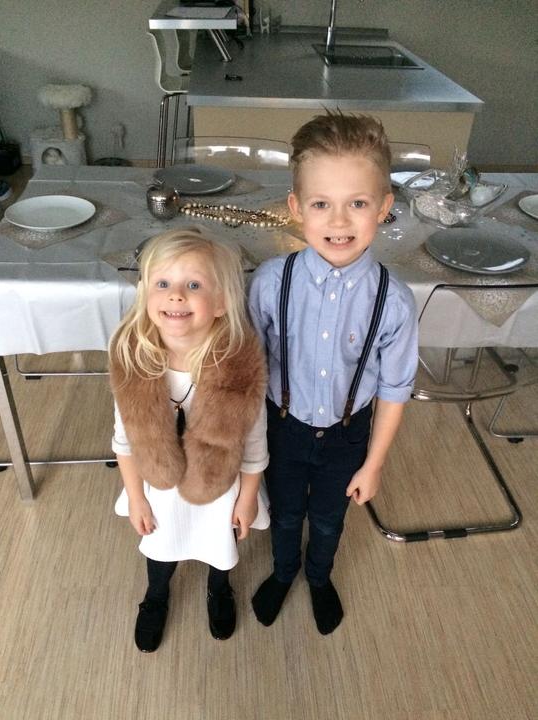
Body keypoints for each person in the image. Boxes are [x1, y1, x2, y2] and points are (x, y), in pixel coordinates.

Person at [248, 111, 418, 635]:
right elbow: (248, 373)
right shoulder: (270, 282)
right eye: (321, 204)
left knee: (327, 519)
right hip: (282, 426)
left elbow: (394, 388)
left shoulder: (394, 301)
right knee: (284, 515)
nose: (339, 222)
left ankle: (318, 577)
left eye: (358, 203)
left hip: (347, 436)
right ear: (297, 208)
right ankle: (284, 571)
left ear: (384, 207)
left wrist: (374, 464)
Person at [109, 227, 269, 652]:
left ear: (220, 302)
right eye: (163, 283)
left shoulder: (238, 367)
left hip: (221, 485)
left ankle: (219, 587)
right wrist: (136, 497)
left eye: (193, 285)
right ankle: (155, 595)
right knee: (160, 547)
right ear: (146, 294)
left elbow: (255, 442)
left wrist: (247, 497)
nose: (176, 296)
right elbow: (124, 439)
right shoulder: (135, 361)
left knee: (220, 544)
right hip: (158, 488)